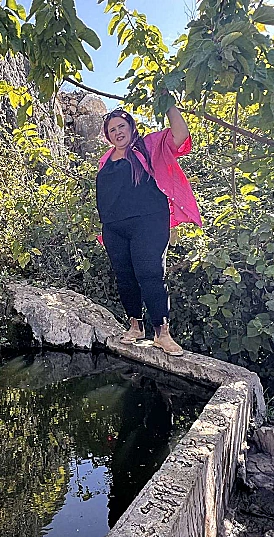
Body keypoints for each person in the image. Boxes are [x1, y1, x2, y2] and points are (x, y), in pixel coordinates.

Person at [96, 105, 202, 356]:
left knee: (150, 272)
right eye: (112, 130)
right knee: (124, 277)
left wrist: (168, 105)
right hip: (114, 228)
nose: (118, 132)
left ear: (131, 127)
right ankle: (135, 327)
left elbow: (180, 135)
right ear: (107, 136)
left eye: (122, 126)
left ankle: (162, 334)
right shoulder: (105, 159)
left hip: (148, 221)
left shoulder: (149, 145)